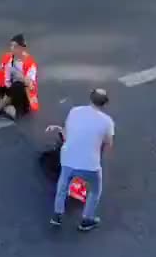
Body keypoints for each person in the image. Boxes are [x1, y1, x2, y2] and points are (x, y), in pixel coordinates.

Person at [47, 88, 115, 232]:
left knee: (62, 186)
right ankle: (87, 220)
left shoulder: (75, 111)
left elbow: (65, 134)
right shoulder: (107, 122)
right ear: (105, 104)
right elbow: (108, 143)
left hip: (68, 159)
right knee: (95, 190)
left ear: (90, 98)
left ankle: (57, 215)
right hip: (90, 165)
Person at [0, 34, 38, 121]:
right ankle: (6, 107)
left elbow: (30, 84)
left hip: (21, 94)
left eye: (15, 46)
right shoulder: (8, 57)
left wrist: (18, 75)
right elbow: (0, 73)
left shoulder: (30, 63)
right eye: (11, 46)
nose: (12, 48)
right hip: (8, 89)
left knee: (17, 85)